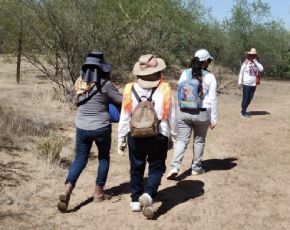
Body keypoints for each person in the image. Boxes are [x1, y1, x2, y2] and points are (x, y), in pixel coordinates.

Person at [58, 51, 122, 212]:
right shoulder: (106, 84)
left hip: (81, 126)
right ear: (101, 67)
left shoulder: (79, 83)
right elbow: (121, 100)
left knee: (80, 159)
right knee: (103, 158)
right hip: (101, 127)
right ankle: (99, 192)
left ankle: (67, 189)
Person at [117, 54, 175, 218]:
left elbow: (125, 115)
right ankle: (148, 194)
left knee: (136, 167)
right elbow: (172, 115)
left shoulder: (129, 89)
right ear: (158, 72)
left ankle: (135, 200)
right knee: (157, 167)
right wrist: (173, 136)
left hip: (135, 135)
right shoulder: (165, 89)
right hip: (159, 134)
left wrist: (121, 138)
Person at [166, 49, 218, 179]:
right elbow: (212, 99)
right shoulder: (210, 77)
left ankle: (174, 167)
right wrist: (214, 118)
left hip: (184, 111)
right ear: (206, 61)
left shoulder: (185, 73)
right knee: (199, 141)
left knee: (182, 140)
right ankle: (196, 168)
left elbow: (179, 91)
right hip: (202, 113)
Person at [238, 48, 264, 118]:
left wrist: (256, 62)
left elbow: (261, 69)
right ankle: (243, 113)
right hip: (246, 83)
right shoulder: (245, 63)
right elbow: (241, 72)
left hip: (253, 83)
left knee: (250, 98)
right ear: (248, 55)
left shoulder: (257, 63)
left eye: (254, 55)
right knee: (245, 98)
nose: (252, 56)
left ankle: (243, 110)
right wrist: (240, 82)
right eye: (251, 55)